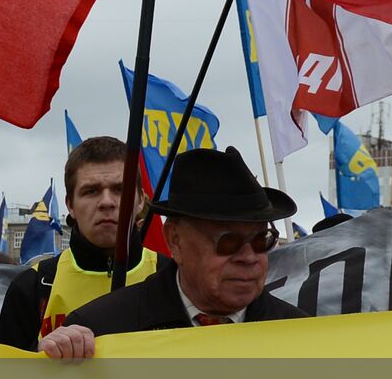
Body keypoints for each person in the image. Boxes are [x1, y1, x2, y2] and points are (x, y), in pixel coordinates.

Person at [45, 147, 309, 356]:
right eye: (228, 242)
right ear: (175, 241)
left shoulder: (303, 337)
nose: (249, 257)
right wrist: (49, 368)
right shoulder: (101, 332)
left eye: (262, 239)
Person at [0, 136, 161, 351]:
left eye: (120, 189)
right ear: (70, 205)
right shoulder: (32, 288)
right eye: (91, 191)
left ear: (140, 200)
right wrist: (36, 356)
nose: (107, 202)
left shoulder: (173, 278)